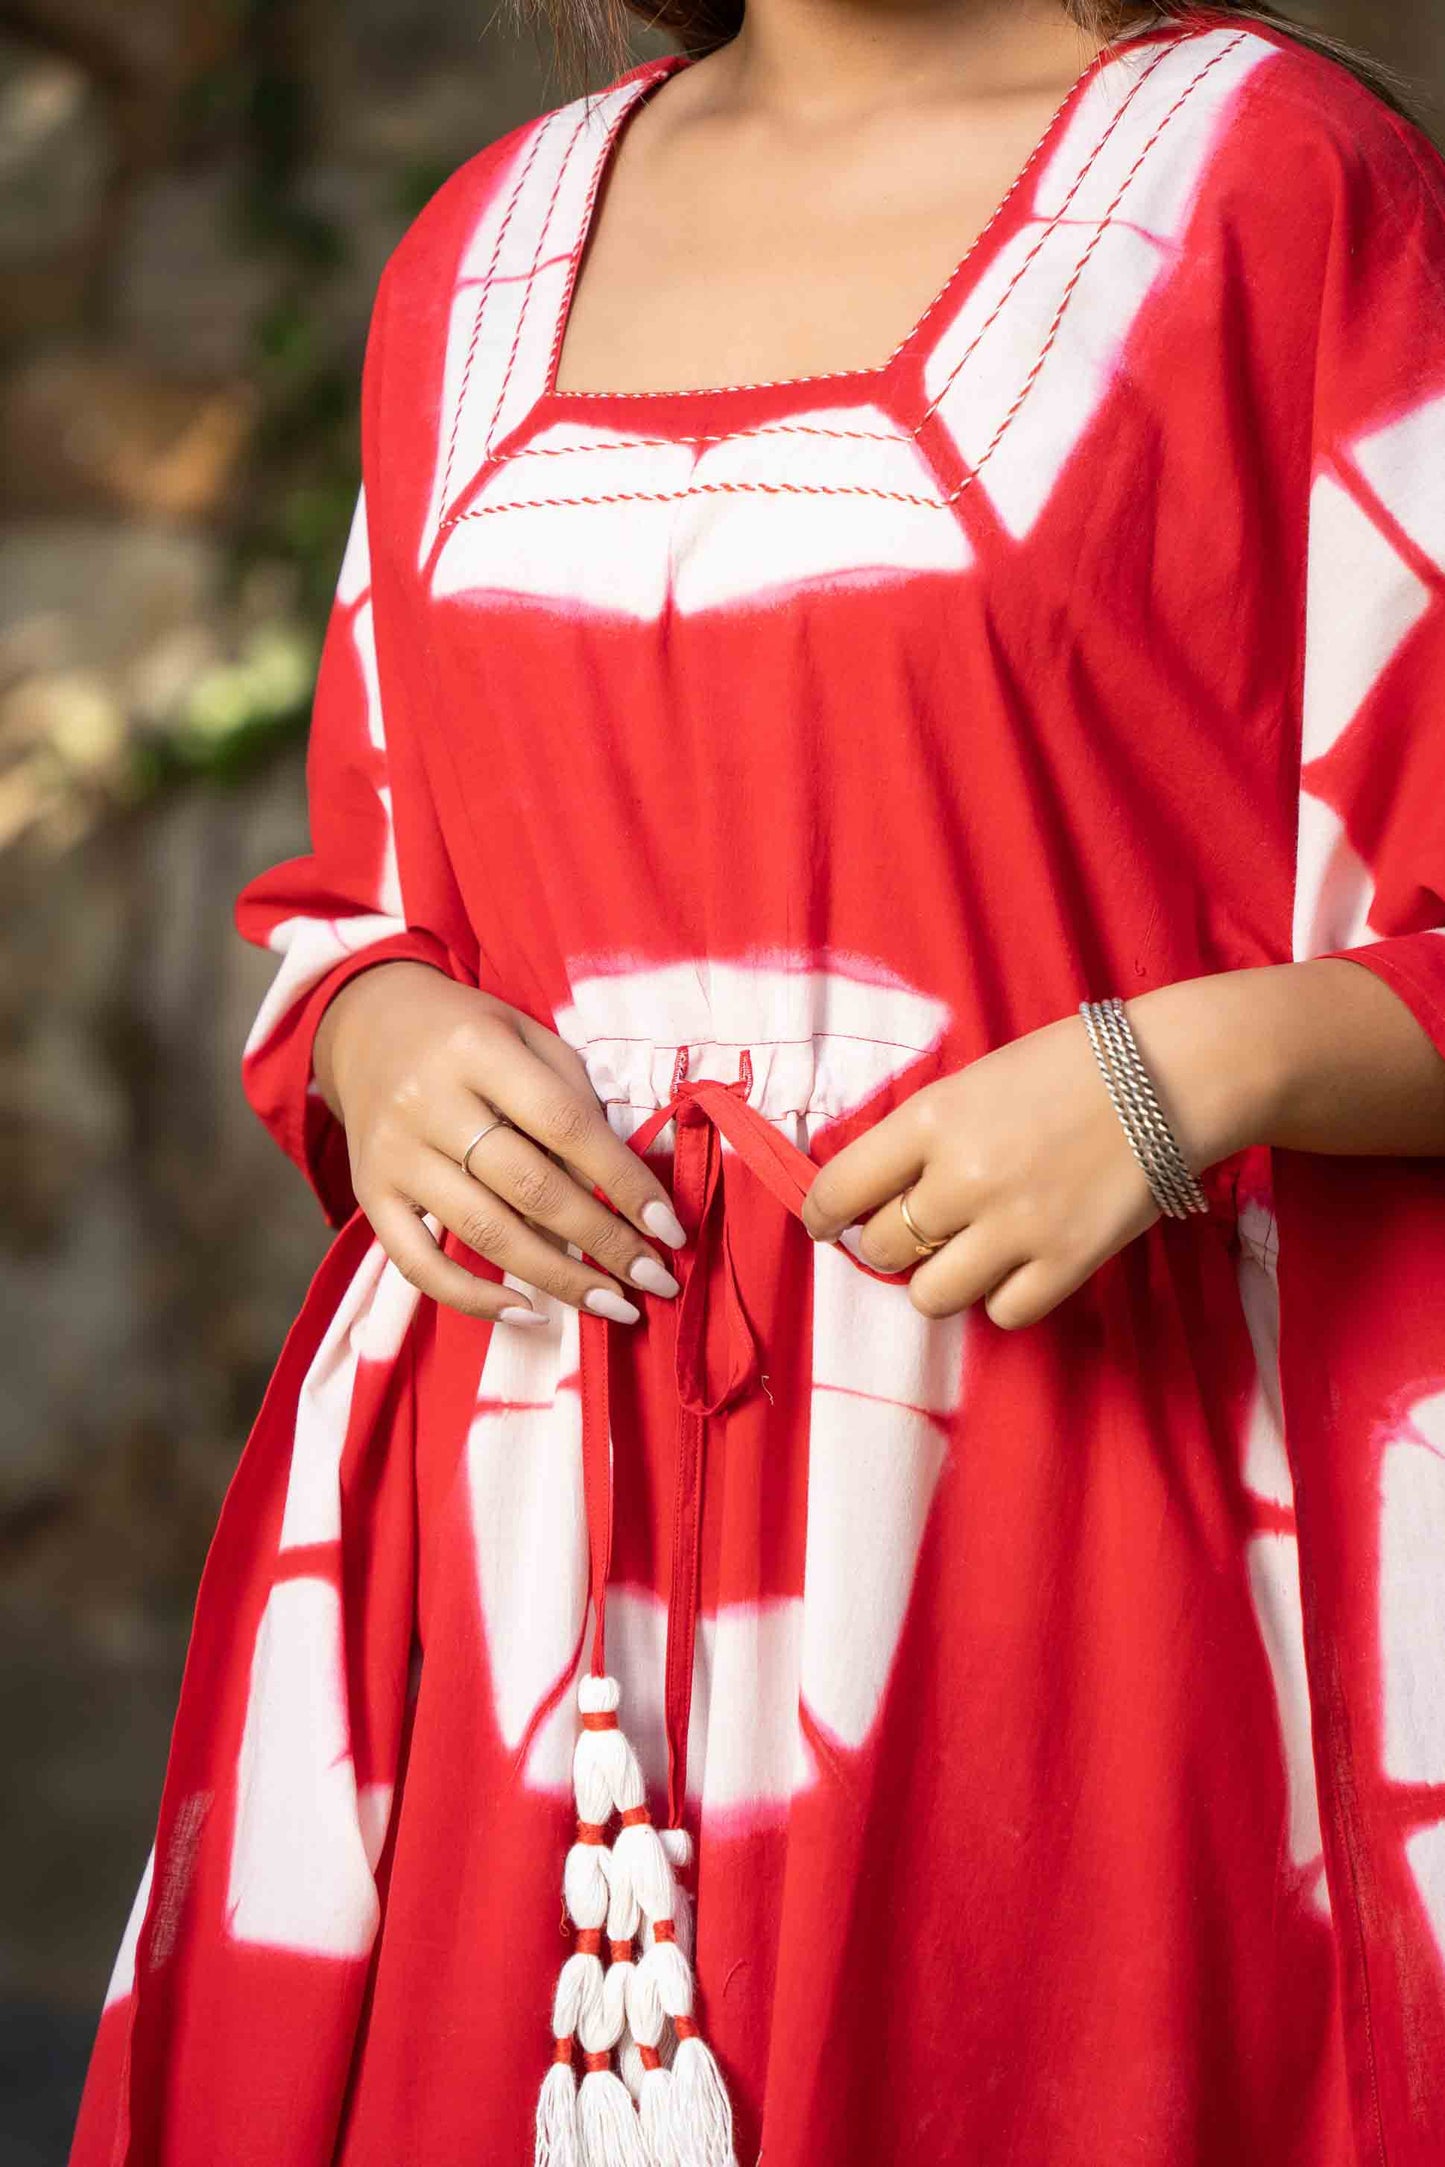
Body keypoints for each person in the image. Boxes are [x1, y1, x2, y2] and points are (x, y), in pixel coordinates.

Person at [70, 3, 1445, 2162]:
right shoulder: (482, 243)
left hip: (1068, 1544)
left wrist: (1187, 1067)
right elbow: (367, 900)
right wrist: (374, 1033)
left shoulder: (1272, 182)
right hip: (516, 1559)